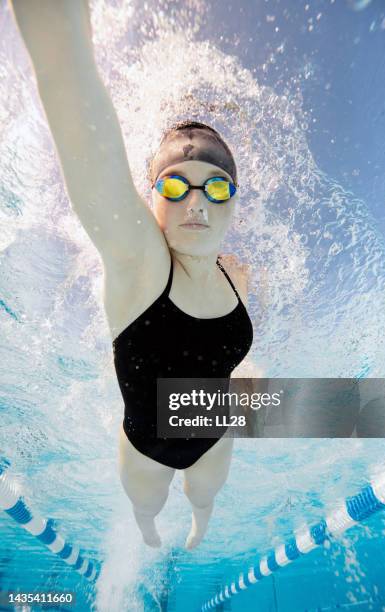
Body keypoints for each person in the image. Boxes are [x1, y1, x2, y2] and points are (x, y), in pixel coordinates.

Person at [9, 0, 253, 549]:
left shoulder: (237, 275)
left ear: (234, 203)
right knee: (150, 507)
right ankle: (147, 528)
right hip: (147, 450)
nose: (196, 202)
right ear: (151, 198)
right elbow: (71, 89)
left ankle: (199, 520)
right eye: (174, 185)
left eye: (216, 186)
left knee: (203, 500)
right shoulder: (139, 264)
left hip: (214, 436)